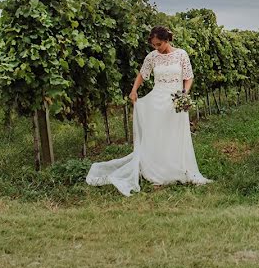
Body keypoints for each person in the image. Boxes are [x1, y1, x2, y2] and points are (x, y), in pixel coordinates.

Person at [86, 26, 212, 196]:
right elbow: (142, 74)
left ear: (167, 40)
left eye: (158, 44)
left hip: (176, 101)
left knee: (175, 135)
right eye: (154, 45)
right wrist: (133, 90)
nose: (156, 48)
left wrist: (184, 94)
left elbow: (188, 77)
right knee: (157, 136)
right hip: (157, 100)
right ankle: (158, 171)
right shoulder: (152, 57)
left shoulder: (181, 54)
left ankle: (179, 169)